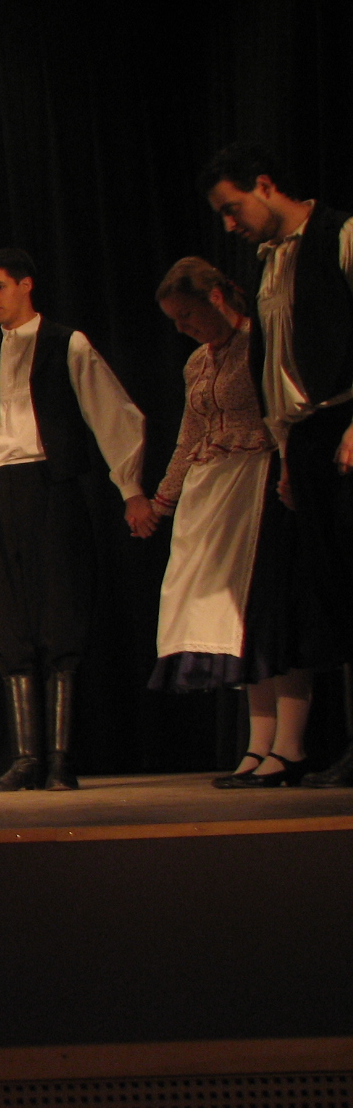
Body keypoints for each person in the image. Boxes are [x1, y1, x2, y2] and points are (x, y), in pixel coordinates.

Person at [0, 249, 151, 791]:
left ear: (26, 285)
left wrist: (131, 490)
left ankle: (60, 758)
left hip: (54, 488)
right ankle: (27, 757)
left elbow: (115, 416)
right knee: (7, 618)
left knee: (61, 614)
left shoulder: (67, 344)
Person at [202, 144, 353, 788]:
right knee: (335, 594)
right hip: (305, 438)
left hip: (345, 422)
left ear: (265, 185)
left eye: (233, 207)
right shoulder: (270, 262)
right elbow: (277, 366)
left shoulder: (340, 235)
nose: (230, 223)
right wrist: (288, 453)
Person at [145, 257, 320, 787]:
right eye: (175, 320)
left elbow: (287, 413)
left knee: (271, 613)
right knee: (233, 621)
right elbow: (189, 435)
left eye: (188, 315)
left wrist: (290, 469)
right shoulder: (197, 363)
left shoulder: (260, 345)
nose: (183, 327)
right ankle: (258, 744)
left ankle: (290, 746)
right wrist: (162, 500)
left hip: (259, 483)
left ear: (217, 298)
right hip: (213, 492)